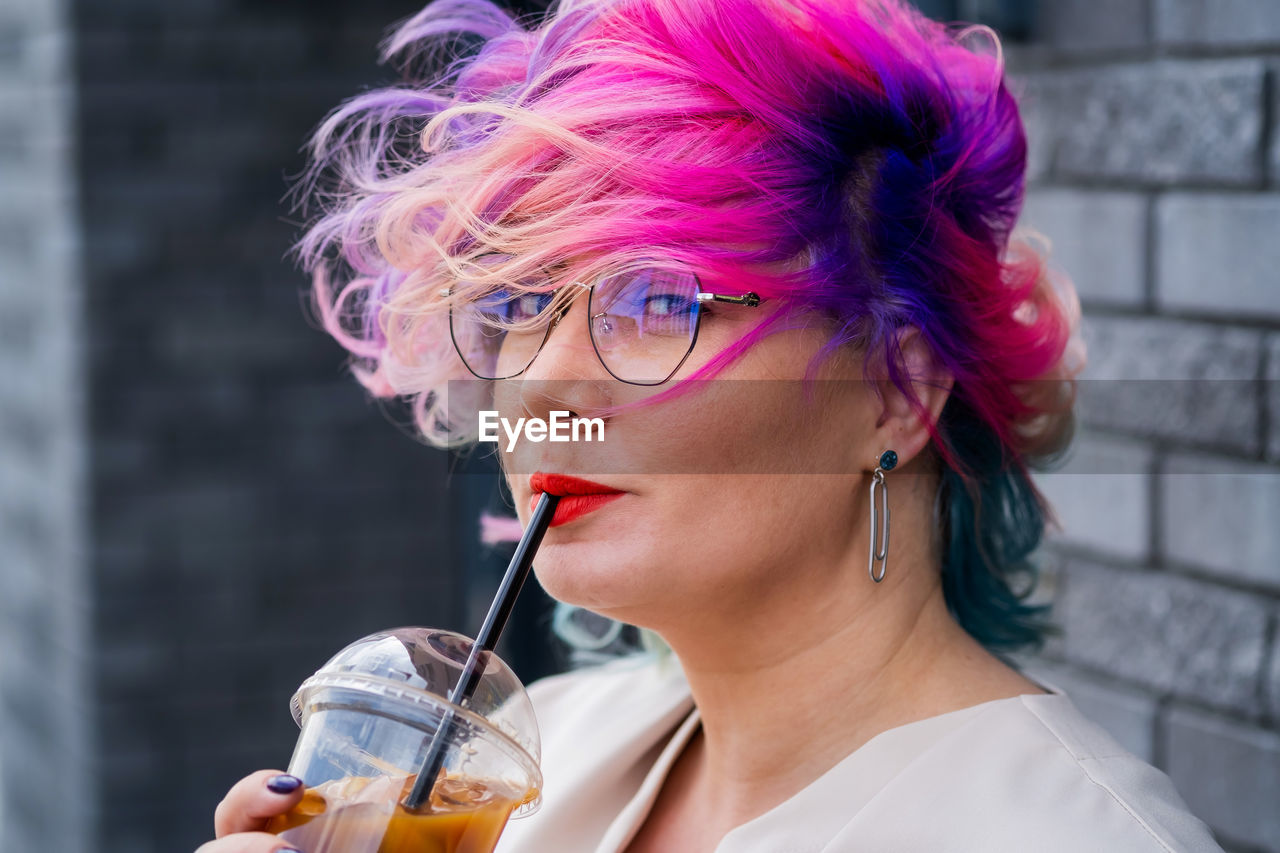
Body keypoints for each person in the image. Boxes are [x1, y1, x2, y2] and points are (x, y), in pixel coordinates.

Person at [198, 0, 1225, 850]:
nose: (544, 383)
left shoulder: (1070, 834)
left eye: (656, 302)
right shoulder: (518, 771)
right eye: (516, 304)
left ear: (897, 394)